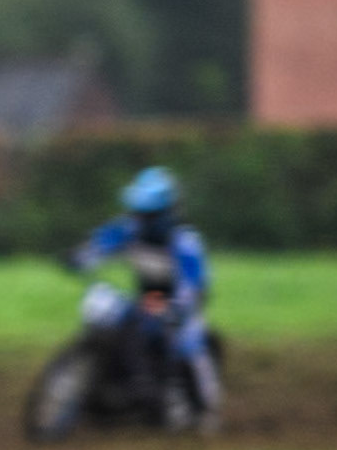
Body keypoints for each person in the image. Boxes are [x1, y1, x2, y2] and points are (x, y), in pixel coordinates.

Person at [65, 166, 222, 432]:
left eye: (148, 214)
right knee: (108, 324)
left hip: (174, 306)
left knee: (190, 344)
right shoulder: (129, 230)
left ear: (166, 212)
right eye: (137, 213)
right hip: (145, 301)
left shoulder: (184, 243)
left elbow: (194, 286)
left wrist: (177, 310)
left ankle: (206, 409)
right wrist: (79, 257)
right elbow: (100, 244)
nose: (141, 220)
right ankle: (103, 392)